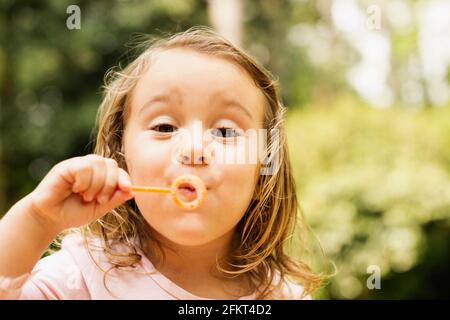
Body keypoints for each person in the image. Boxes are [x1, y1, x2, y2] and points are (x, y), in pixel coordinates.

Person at [0, 27, 321, 300]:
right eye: (165, 127)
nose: (194, 149)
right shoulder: (82, 275)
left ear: (266, 165)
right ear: (121, 153)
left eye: (224, 131)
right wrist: (39, 220)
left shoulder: (283, 295)